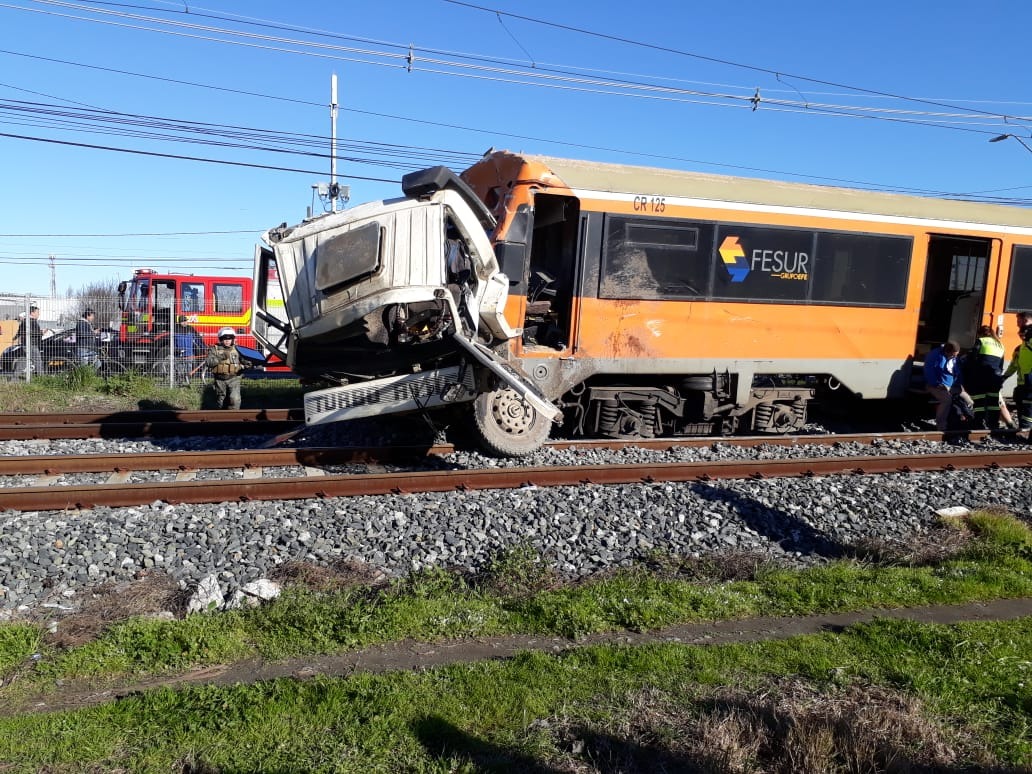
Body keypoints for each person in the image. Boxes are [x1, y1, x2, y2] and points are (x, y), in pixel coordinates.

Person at [962, 325, 1011, 429]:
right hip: (995, 377)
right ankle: (994, 425)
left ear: (980, 333)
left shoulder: (981, 341)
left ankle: (978, 423)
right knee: (993, 403)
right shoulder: (1000, 345)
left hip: (981, 376)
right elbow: (1001, 365)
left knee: (979, 401)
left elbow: (972, 358)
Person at [924, 340, 972, 431]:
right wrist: (936, 384)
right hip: (936, 385)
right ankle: (941, 425)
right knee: (946, 400)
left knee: (969, 401)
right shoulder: (935, 355)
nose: (955, 357)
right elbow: (929, 371)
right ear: (947, 352)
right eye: (954, 355)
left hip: (952, 386)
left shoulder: (955, 358)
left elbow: (958, 373)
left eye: (957, 355)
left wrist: (960, 385)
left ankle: (966, 423)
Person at [205, 327, 244, 409]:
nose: (227, 340)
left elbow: (246, 361)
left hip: (234, 378)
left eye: (229, 338)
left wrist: (248, 364)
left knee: (235, 399)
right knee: (220, 401)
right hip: (219, 380)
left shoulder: (237, 349)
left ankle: (233, 416)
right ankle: (221, 416)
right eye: (224, 338)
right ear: (220, 339)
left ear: (233, 339)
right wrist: (221, 357)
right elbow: (208, 363)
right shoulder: (214, 349)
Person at [1003, 325, 1032, 432]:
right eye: (1020, 335)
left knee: (1028, 407)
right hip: (1022, 384)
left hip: (1030, 383)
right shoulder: (1019, 349)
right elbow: (1013, 365)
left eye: (1024, 335)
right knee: (1020, 403)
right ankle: (1023, 428)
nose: (1022, 338)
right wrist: (1004, 377)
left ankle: (1026, 428)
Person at [14, 305, 44, 377]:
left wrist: (15, 338)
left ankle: (15, 377)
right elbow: (31, 332)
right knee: (38, 361)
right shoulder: (31, 321)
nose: (38, 314)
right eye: (37, 312)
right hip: (31, 344)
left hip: (26, 344)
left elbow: (20, 331)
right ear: (32, 313)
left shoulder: (26, 321)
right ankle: (41, 377)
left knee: (23, 360)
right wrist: (41, 332)